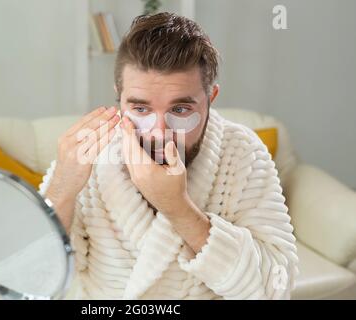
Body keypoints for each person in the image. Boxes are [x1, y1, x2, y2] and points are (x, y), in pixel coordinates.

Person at [39, 12, 298, 299]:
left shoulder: (243, 153)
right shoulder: (88, 155)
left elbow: (276, 287)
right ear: (119, 97)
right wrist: (61, 189)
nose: (159, 133)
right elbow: (37, 277)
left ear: (210, 99)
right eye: (140, 109)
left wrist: (178, 208)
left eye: (180, 110)